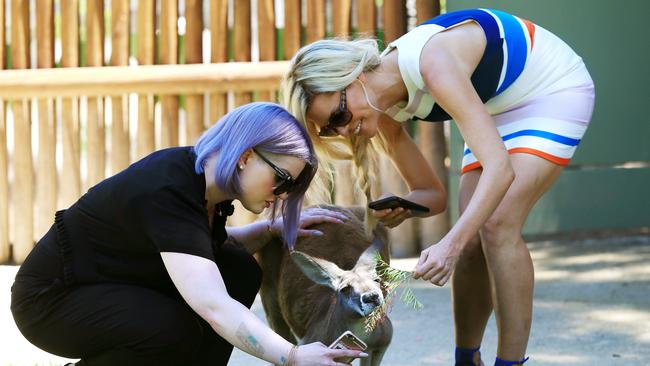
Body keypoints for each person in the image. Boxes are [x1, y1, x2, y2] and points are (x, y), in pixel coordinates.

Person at [284, 8, 595, 366]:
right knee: (472, 236)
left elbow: (499, 170)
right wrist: (408, 204)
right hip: (497, 107)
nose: (342, 130)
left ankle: (510, 363)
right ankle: (466, 359)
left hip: (550, 90)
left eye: (339, 115)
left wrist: (449, 243)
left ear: (353, 77)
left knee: (495, 225)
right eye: (329, 128)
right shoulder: (382, 112)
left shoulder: (433, 64)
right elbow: (433, 196)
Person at [10, 102, 367, 366]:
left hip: (113, 286)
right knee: (169, 328)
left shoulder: (206, 189)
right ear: (245, 157)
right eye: (283, 179)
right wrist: (291, 356)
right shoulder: (169, 188)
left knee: (239, 269)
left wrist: (270, 229)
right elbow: (212, 304)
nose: (283, 194)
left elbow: (199, 254)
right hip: (52, 302)